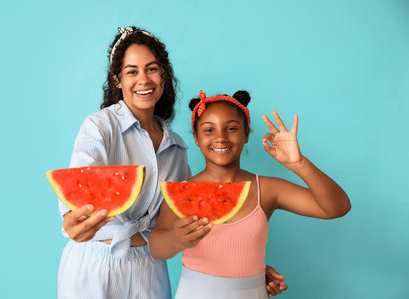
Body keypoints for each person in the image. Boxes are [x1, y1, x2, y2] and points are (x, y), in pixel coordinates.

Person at [57, 27, 287, 299]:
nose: (144, 79)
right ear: (117, 80)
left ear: (164, 75)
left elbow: (195, 220)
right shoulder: (99, 127)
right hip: (97, 263)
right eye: (132, 71)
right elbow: (79, 193)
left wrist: (248, 270)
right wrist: (71, 220)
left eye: (152, 69)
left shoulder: (175, 145)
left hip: (151, 266)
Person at [149, 90, 351, 298]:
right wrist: (176, 239)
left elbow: (336, 208)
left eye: (231, 128)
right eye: (209, 130)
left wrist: (298, 163)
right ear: (197, 138)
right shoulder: (182, 191)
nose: (220, 137)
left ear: (246, 134)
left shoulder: (268, 189)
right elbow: (156, 247)